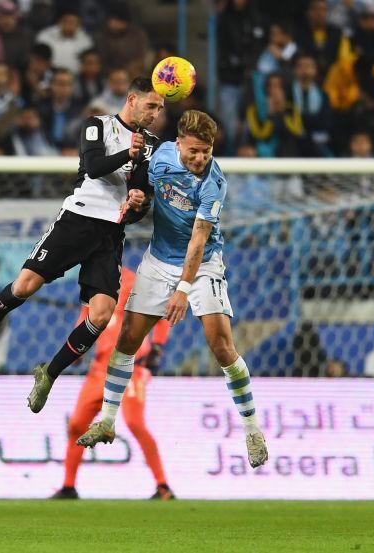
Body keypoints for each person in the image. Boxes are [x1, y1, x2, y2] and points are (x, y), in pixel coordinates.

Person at [75, 110, 269, 469]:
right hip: (158, 260)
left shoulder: (214, 182)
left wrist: (183, 288)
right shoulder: (160, 155)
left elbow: (199, 239)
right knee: (127, 341)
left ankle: (252, 428)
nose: (200, 159)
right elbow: (143, 194)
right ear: (179, 143)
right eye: (194, 151)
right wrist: (138, 201)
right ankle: (106, 420)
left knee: (221, 345)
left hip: (203, 263)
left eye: (207, 152)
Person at [0, 77, 163, 413]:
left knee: (100, 315)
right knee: (25, 286)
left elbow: (139, 201)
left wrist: (140, 202)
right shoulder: (97, 125)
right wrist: (128, 153)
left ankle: (49, 373)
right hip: (78, 219)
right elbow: (95, 167)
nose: (156, 113)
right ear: (132, 99)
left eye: (160, 108)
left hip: (110, 233)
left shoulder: (153, 146)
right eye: (151, 105)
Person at [52, 268, 174, 500]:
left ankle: (163, 486)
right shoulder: (92, 283)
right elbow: (85, 321)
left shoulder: (135, 282)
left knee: (135, 423)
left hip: (129, 368)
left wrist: (157, 346)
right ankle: (68, 487)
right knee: (77, 425)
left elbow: (162, 312)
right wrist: (75, 353)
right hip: (99, 370)